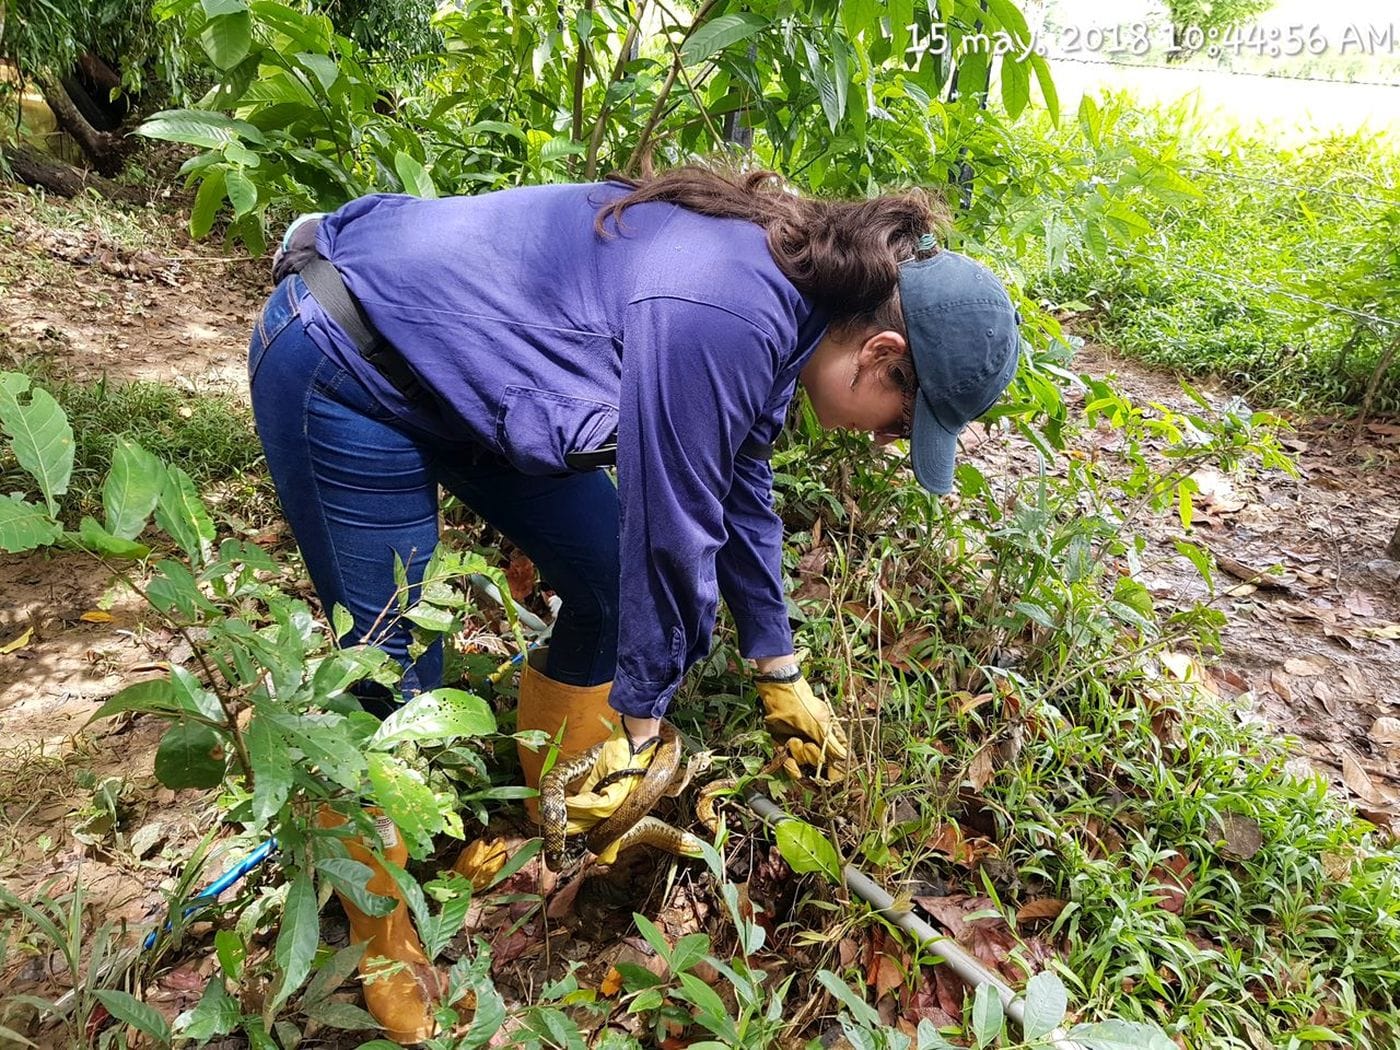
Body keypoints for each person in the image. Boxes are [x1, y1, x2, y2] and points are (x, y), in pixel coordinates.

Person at [246, 164, 1020, 1042]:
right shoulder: (726, 311)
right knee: (396, 682)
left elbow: (741, 487)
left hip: (463, 380)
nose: (885, 444)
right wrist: (645, 742)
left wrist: (779, 667)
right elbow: (671, 527)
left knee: (607, 583)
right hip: (348, 360)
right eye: (896, 424)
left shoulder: (796, 309)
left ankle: (558, 792)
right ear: (880, 355)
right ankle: (380, 934)